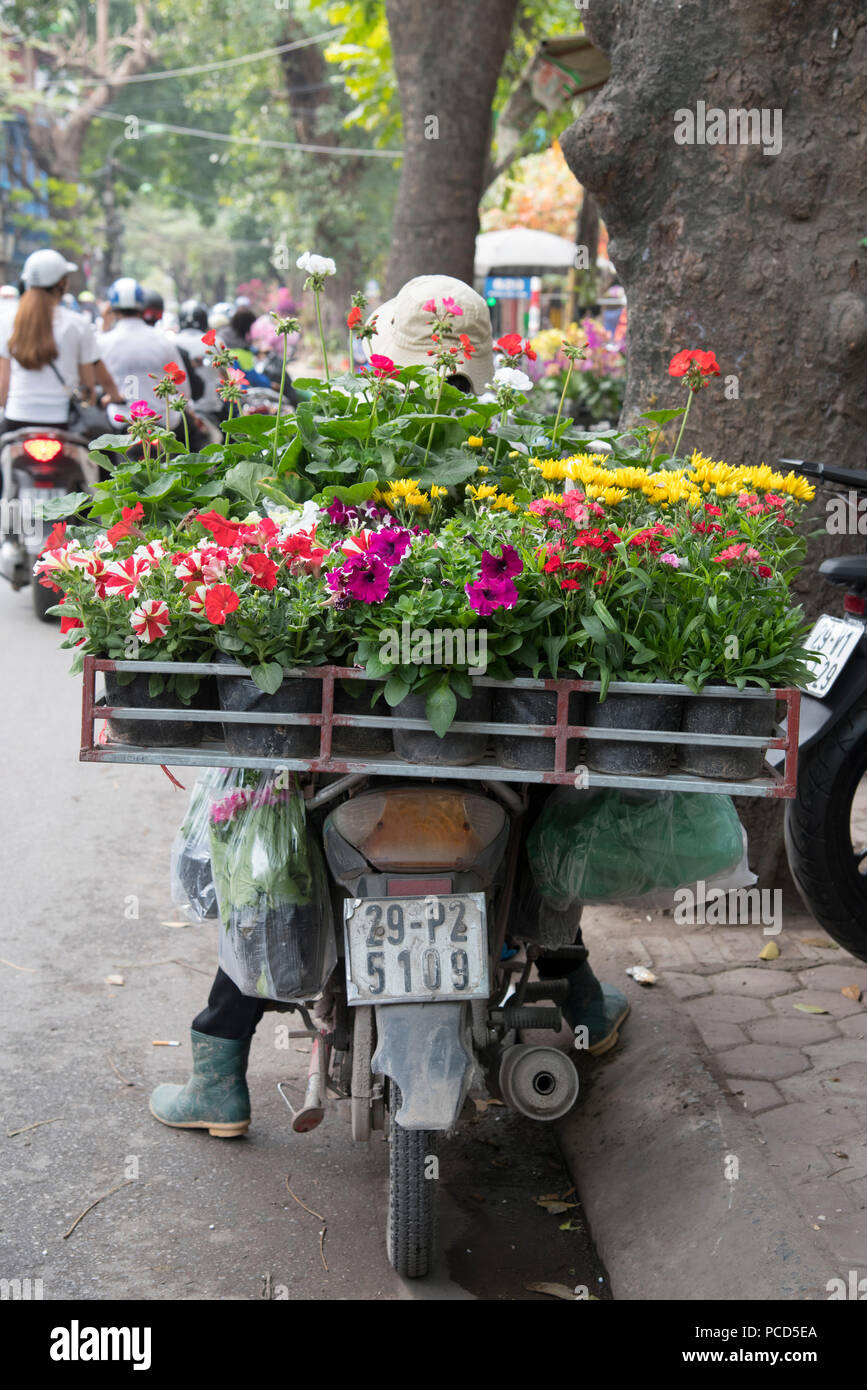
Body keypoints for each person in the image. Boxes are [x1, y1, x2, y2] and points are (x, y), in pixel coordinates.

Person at [149, 273, 628, 1139]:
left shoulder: (334, 446)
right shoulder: (520, 460)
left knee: (275, 841)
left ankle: (221, 1061)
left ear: (383, 358)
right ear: (479, 366)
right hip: (481, 740)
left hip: (354, 737)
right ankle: (578, 991)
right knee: (552, 801)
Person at [0, 248, 122, 443]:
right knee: (105, 463)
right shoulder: (77, 324)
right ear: (62, 283)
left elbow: (3, 387)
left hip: (17, 420)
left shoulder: (8, 321)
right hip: (65, 423)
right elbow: (88, 388)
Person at [97, 277, 189, 431]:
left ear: (112, 307)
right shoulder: (163, 341)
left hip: (120, 423)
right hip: (163, 422)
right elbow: (183, 390)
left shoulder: (103, 342)